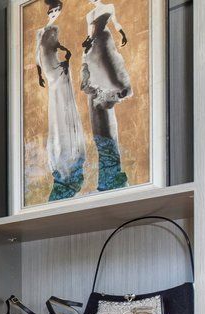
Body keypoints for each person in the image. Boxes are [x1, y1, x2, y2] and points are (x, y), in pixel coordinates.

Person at [36, 0, 86, 201]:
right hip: (50, 69)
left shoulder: (54, 29)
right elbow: (37, 55)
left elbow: (57, 45)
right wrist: (39, 73)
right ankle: (61, 158)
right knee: (57, 107)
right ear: (49, 10)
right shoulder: (41, 31)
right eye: (53, 10)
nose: (55, 13)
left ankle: (69, 155)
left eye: (57, 10)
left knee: (63, 105)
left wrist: (66, 51)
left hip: (57, 67)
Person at [81, 0, 132, 191]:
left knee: (109, 69)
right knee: (98, 77)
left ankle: (115, 89)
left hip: (104, 42)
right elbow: (89, 31)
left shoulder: (109, 7)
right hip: (95, 45)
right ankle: (106, 91)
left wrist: (122, 33)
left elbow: (116, 23)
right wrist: (86, 49)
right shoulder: (90, 15)